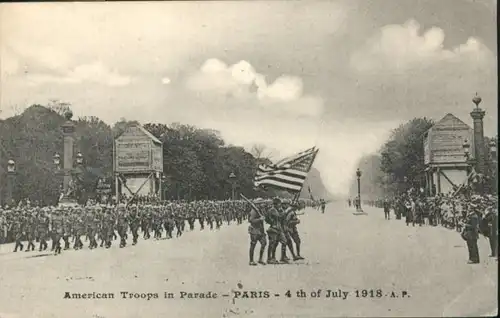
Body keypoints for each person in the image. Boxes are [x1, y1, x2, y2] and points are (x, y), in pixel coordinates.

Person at [248, 199, 267, 266]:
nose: (263, 204)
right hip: (254, 230)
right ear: (258, 204)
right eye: (262, 203)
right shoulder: (253, 211)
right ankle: (251, 260)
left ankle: (260, 259)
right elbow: (251, 220)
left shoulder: (260, 210)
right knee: (253, 245)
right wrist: (259, 219)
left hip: (261, 230)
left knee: (264, 243)